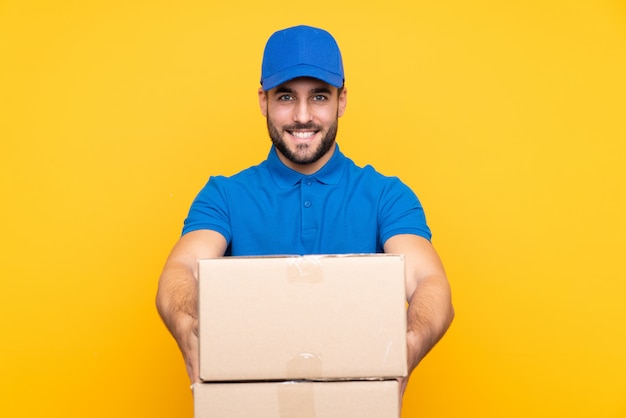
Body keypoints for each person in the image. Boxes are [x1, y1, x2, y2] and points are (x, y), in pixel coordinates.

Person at [156, 24, 454, 403]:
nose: (302, 116)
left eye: (318, 97)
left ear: (341, 101)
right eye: (285, 97)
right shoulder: (225, 195)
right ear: (263, 101)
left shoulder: (385, 195)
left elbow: (430, 281)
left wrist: (407, 347)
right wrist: (187, 329)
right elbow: (180, 271)